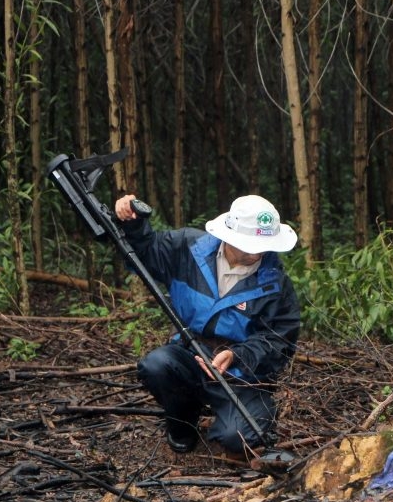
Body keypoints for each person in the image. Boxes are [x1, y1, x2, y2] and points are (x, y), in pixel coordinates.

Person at [114, 193, 301, 455]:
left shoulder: (276, 285)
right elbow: (145, 252)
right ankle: (182, 420)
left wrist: (237, 356)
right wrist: (132, 224)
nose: (256, 252)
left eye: (263, 245)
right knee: (156, 366)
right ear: (229, 236)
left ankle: (237, 417)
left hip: (242, 376)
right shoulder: (188, 248)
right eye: (249, 245)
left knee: (242, 438)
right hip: (190, 354)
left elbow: (279, 341)